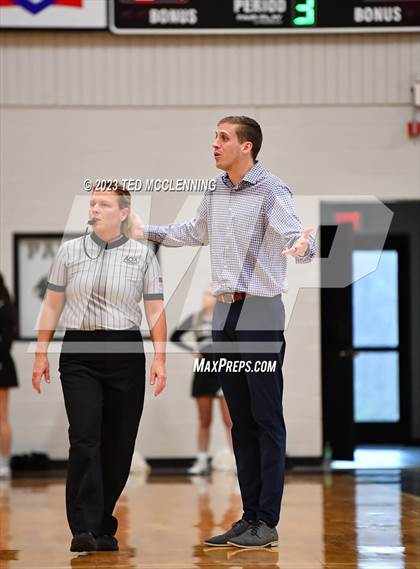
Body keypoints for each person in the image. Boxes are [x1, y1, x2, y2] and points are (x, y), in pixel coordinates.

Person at [133, 116, 316, 549]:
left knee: (266, 418)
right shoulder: (214, 190)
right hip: (224, 314)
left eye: (223, 137)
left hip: (260, 311)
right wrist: (144, 231)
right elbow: (193, 232)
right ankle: (249, 516)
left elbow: (299, 237)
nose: (214, 144)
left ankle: (267, 521)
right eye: (215, 137)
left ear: (246, 146)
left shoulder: (272, 190)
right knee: (240, 420)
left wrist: (303, 247)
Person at [32, 185, 167, 553]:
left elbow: (155, 309)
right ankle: (83, 527)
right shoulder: (69, 252)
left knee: (119, 445)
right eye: (92, 203)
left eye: (104, 204)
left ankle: (103, 523)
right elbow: (52, 305)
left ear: (123, 213)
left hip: (125, 353)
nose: (94, 208)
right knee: (85, 437)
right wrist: (41, 353)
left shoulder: (142, 256)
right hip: (79, 354)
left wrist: (160, 357)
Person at [170, 285, 233, 475]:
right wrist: (192, 350)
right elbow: (174, 337)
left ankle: (236, 461)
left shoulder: (226, 316)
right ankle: (202, 460)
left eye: (212, 294)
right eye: (206, 293)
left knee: (229, 420)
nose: (208, 297)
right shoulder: (196, 318)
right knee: (204, 420)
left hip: (223, 369)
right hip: (203, 370)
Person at [0, 274, 19, 479]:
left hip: (2, 366)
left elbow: (6, 343)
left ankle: (4, 463)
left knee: (2, 418)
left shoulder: (5, 309)